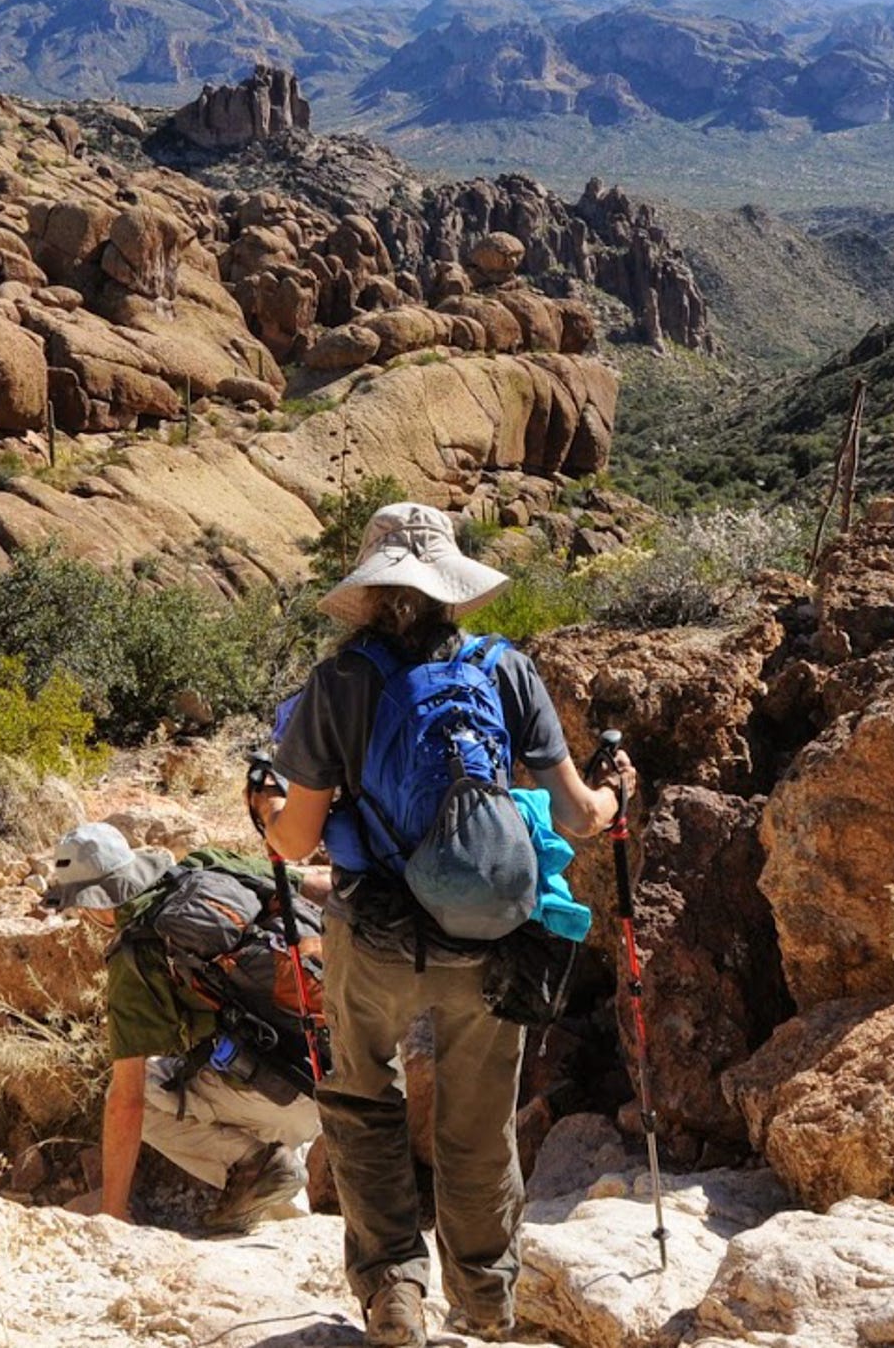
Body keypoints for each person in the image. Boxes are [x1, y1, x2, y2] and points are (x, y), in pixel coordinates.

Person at [250, 501, 636, 1347]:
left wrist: (264, 807)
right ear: (451, 587)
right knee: (478, 1120)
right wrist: (617, 790)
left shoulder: (339, 682)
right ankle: (486, 1299)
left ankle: (394, 1290)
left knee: (363, 1099)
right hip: (489, 937)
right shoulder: (505, 669)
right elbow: (579, 815)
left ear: (369, 590)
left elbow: (296, 840)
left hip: (373, 935)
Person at [47, 821, 323, 1234]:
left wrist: (111, 1216)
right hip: (345, 1070)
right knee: (260, 1074)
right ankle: (288, 1226)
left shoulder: (137, 955)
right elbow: (313, 886)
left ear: (97, 904)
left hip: (285, 1096)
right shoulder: (207, 865)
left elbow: (127, 1102)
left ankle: (258, 1168)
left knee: (152, 1089)